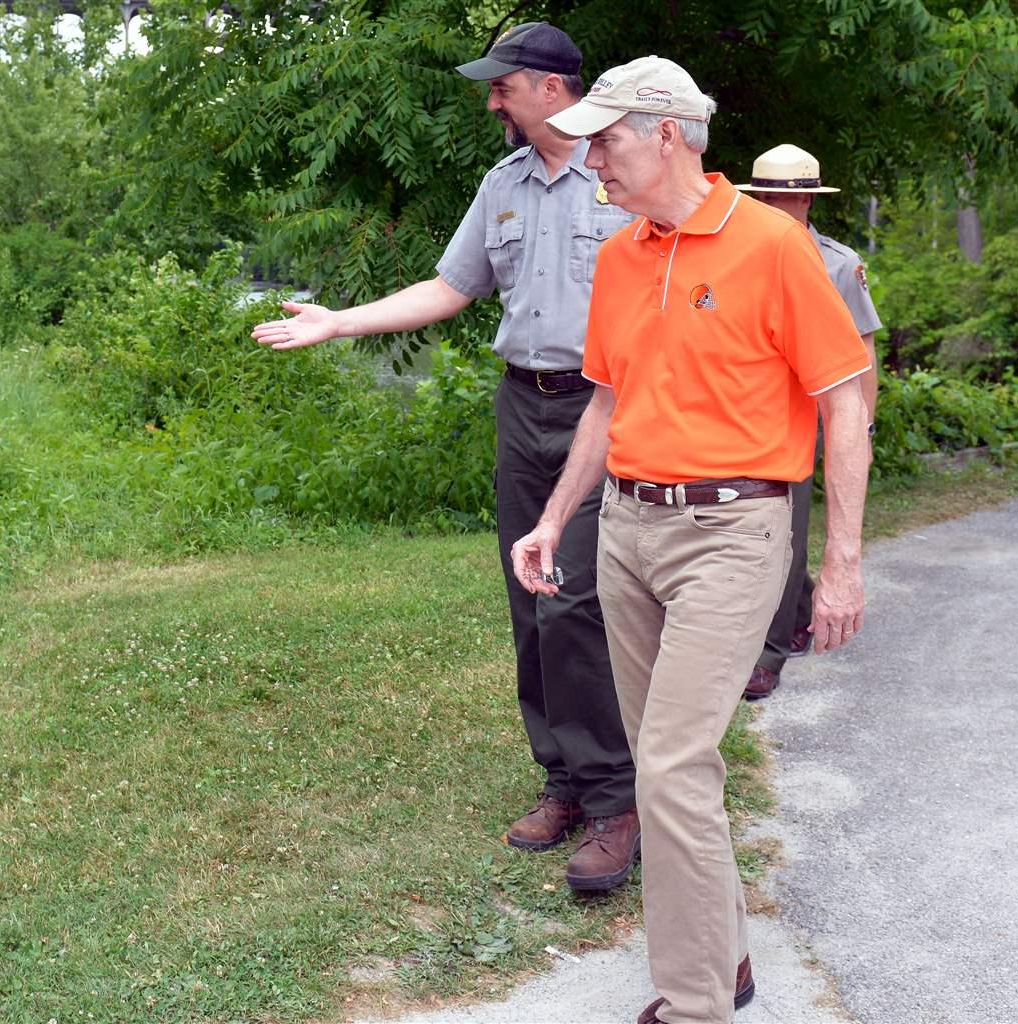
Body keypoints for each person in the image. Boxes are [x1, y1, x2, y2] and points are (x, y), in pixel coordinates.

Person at [510, 56, 873, 1023]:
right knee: (666, 758)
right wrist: (553, 521)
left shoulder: (773, 247)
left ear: (666, 133)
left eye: (606, 139)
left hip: (735, 530)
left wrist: (838, 565)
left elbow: (844, 406)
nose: (591, 159)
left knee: (668, 766)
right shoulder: (625, 251)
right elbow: (606, 400)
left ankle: (698, 1000)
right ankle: (731, 959)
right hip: (627, 526)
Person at [251, 23, 641, 892]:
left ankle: (620, 802)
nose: (490, 99)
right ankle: (564, 782)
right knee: (528, 594)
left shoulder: (621, 175)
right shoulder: (502, 184)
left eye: (502, 85)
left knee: (575, 599)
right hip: (523, 406)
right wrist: (338, 320)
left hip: (605, 408)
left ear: (550, 89)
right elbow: (451, 287)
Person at [733, 144, 882, 700]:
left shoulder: (837, 264)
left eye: (792, 198)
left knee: (785, 527)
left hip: (818, 414)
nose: (781, 206)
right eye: (771, 196)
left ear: (809, 202)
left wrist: (863, 429)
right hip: (750, 414)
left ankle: (767, 653)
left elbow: (862, 356)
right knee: (773, 525)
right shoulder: (736, 255)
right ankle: (797, 610)